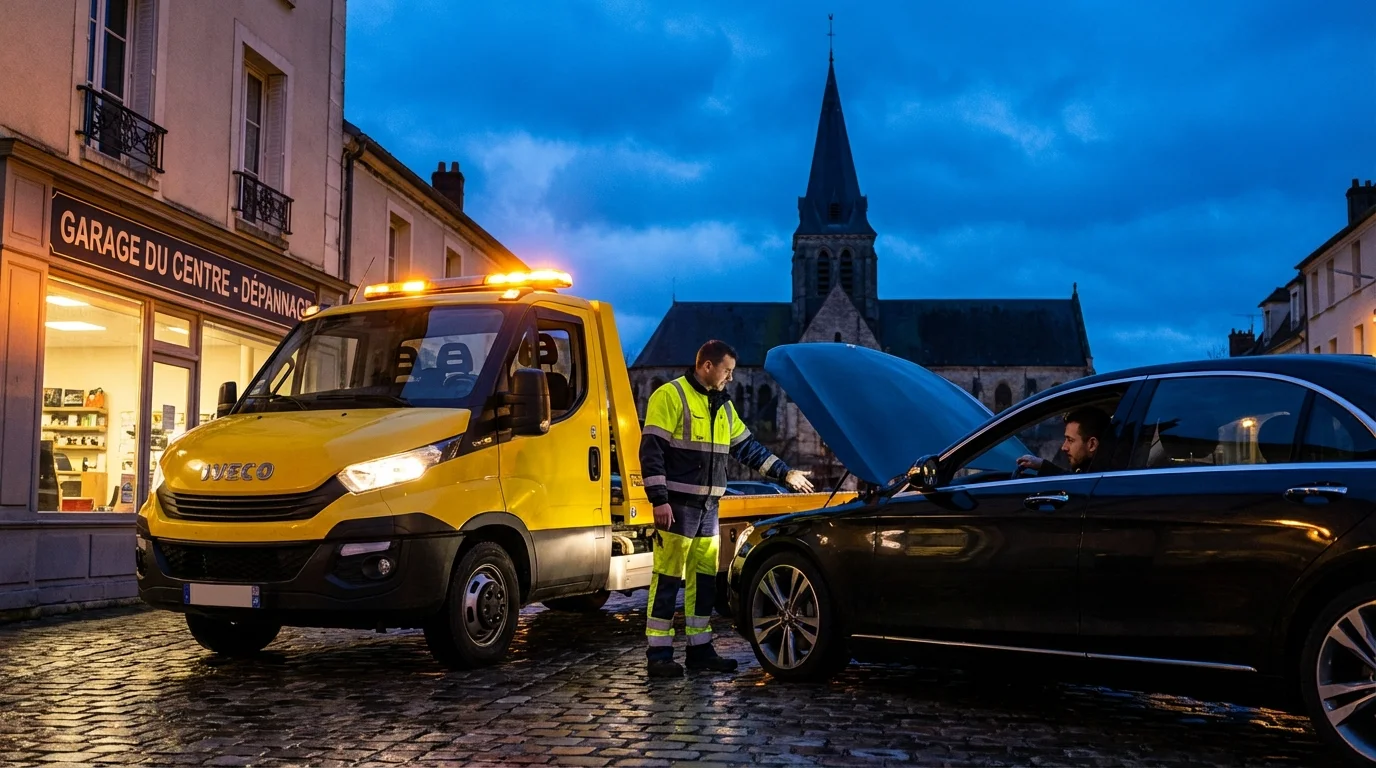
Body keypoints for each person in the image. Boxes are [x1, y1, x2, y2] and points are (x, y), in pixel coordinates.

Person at [639, 340, 814, 678]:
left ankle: (699, 649)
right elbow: (651, 450)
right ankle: (658, 654)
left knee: (704, 580)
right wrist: (659, 499)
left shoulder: (722, 405)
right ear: (707, 366)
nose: (731, 378)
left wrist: (785, 472)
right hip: (677, 506)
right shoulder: (671, 396)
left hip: (708, 508)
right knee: (668, 578)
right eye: (727, 371)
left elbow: (747, 448)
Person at [1016, 407, 1111, 476]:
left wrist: (1044, 466)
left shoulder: (1105, 477)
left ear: (1092, 444)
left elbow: (1077, 485)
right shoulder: (1098, 473)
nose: (1064, 447)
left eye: (1070, 440)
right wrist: (1041, 465)